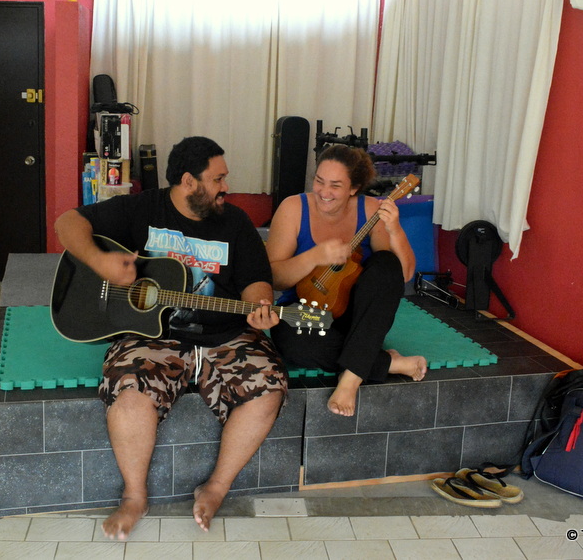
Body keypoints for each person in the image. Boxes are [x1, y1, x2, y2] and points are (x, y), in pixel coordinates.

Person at [54, 136, 287, 539]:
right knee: (128, 396)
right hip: (151, 337)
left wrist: (261, 305)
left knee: (268, 390)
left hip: (226, 334)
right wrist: (100, 261)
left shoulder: (235, 222)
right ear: (188, 181)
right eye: (217, 179)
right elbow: (67, 222)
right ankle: (134, 496)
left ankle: (216, 487)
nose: (225, 187)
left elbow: (255, 281)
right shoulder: (142, 207)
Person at [265, 144, 426, 417]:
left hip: (356, 317)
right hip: (305, 311)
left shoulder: (371, 209)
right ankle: (385, 362)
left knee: (386, 263)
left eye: (335, 186)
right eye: (319, 181)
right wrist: (314, 256)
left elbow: (405, 274)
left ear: (353, 188)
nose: (324, 192)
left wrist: (395, 229)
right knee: (291, 343)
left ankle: (350, 379)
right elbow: (274, 279)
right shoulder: (293, 208)